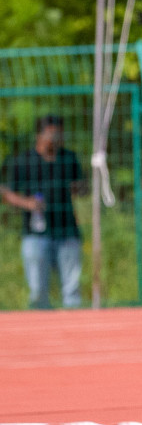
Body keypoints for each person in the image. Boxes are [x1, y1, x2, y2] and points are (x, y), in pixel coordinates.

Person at [2, 115, 87, 310]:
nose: (56, 139)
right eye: (52, 134)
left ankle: (75, 329)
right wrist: (27, 203)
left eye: (59, 134)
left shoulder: (68, 158)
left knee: (72, 290)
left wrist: (80, 187)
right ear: (40, 135)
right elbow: (7, 193)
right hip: (35, 232)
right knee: (38, 291)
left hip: (67, 230)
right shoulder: (24, 160)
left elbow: (81, 187)